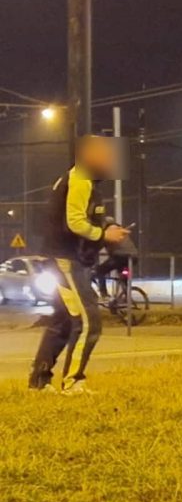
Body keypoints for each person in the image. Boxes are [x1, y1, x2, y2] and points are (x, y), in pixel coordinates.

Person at [30, 135, 130, 394]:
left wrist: (106, 224)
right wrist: (103, 235)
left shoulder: (83, 180)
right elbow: (74, 221)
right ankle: (73, 381)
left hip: (65, 257)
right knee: (89, 321)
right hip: (66, 259)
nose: (111, 160)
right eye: (106, 155)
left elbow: (81, 216)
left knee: (63, 321)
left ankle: (39, 382)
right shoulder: (81, 179)